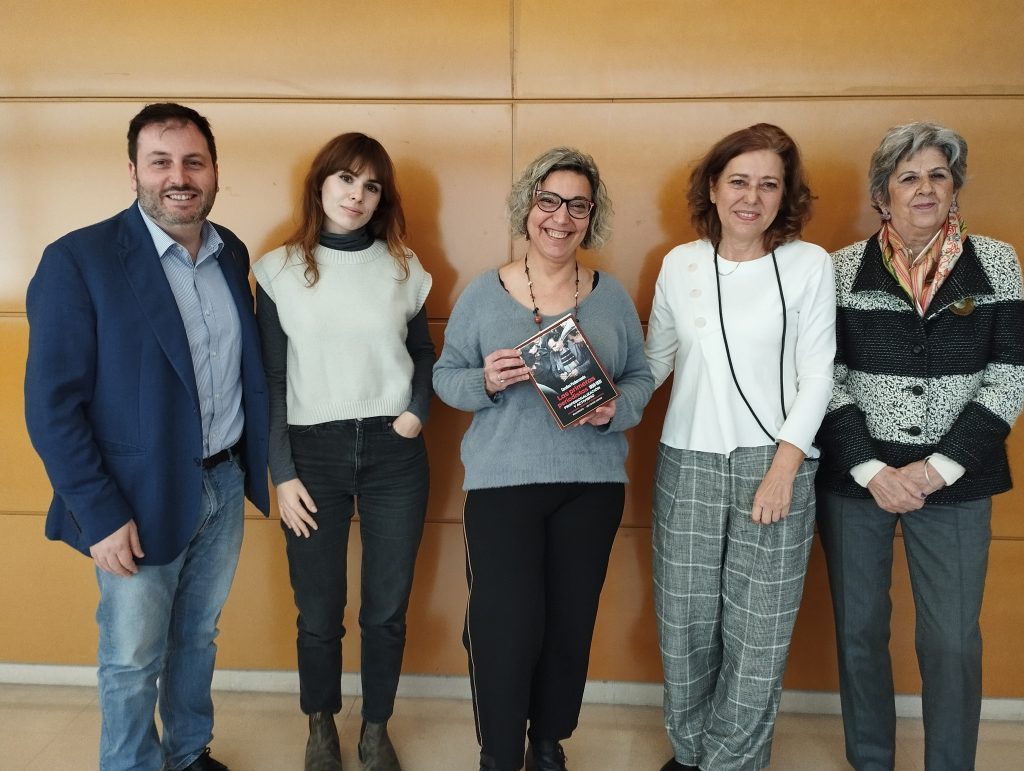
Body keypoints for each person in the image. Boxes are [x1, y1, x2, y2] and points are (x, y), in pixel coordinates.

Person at [24, 103, 270, 771]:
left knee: (197, 636)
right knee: (133, 655)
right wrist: (98, 513)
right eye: (160, 162)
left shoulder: (229, 252)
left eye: (193, 162)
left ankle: (188, 753)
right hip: (133, 497)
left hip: (222, 481)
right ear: (133, 171)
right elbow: (52, 408)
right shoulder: (79, 260)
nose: (178, 177)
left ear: (214, 171)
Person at [433, 147, 653, 771]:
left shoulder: (611, 297)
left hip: (592, 485)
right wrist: (485, 381)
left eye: (578, 206)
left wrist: (616, 409)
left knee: (569, 625)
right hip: (503, 485)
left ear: (592, 217)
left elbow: (640, 377)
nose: (561, 217)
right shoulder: (483, 294)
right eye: (548, 201)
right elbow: (445, 377)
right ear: (527, 207)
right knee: (505, 628)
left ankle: (549, 740)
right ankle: (500, 753)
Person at [816, 122, 1024, 771]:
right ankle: (871, 760)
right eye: (908, 177)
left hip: (959, 479)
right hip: (858, 479)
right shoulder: (839, 269)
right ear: (883, 195)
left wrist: (938, 468)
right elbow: (823, 378)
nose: (925, 188)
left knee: (952, 641)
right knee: (858, 632)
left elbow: (1010, 373)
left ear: (955, 186)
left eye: (938, 174)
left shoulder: (998, 261)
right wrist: (871, 468)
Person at [644, 124, 836, 771]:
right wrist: (600, 402)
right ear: (712, 187)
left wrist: (784, 468)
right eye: (739, 181)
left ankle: (731, 762)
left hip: (775, 463)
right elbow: (655, 362)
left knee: (758, 635)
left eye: (768, 184)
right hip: (687, 461)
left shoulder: (810, 264)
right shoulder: (680, 264)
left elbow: (819, 374)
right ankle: (690, 752)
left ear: (786, 194)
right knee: (685, 626)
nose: (751, 197)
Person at [252, 132, 433, 771]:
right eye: (346, 179)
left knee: (386, 609)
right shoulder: (277, 270)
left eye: (371, 186)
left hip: (394, 454)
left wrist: (416, 412)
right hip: (311, 456)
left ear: (382, 198)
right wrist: (281, 473)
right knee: (319, 609)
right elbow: (272, 378)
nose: (357, 195)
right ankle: (321, 726)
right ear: (321, 184)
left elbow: (422, 353)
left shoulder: (402, 266)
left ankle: (376, 728)